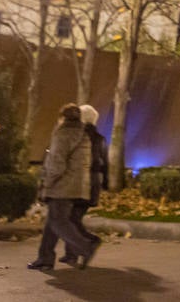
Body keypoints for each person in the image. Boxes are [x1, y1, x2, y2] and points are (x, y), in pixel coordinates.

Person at [28, 102, 98, 271]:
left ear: (62, 118)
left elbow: (56, 165)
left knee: (59, 222)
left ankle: (85, 246)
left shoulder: (63, 134)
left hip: (61, 185)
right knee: (52, 223)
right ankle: (45, 257)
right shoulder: (82, 134)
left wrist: (46, 183)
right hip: (76, 185)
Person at [58, 104, 108, 265]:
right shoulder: (100, 138)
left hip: (80, 182)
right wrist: (105, 182)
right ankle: (71, 253)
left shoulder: (79, 136)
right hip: (93, 183)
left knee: (70, 217)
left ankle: (90, 241)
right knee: (73, 216)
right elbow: (105, 162)